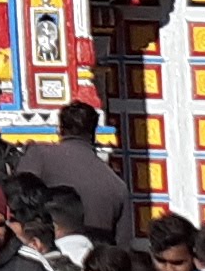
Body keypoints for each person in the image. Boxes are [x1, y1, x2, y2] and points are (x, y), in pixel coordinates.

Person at [16, 103, 130, 248]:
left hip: (44, 256)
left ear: (60, 129)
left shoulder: (39, 156)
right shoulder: (117, 185)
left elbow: (16, 199)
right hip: (96, 263)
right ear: (94, 132)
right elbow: (122, 247)